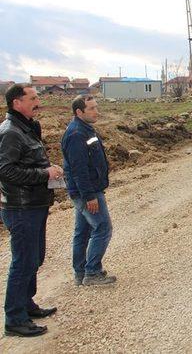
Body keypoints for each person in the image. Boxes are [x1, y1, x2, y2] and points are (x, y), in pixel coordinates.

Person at [0, 84, 61, 337]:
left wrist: (49, 170)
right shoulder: (10, 132)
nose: (38, 102)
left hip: (34, 204)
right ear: (17, 103)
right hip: (21, 208)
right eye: (33, 98)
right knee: (23, 261)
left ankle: (26, 304)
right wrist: (44, 173)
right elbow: (6, 171)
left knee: (34, 259)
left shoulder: (27, 127)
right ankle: (14, 319)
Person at [61, 95, 117, 286]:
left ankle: (80, 273)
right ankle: (92, 273)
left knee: (83, 231)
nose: (96, 111)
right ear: (79, 112)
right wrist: (89, 196)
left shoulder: (84, 129)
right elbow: (79, 169)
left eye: (96, 107)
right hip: (87, 192)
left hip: (87, 191)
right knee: (102, 228)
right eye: (91, 108)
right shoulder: (76, 134)